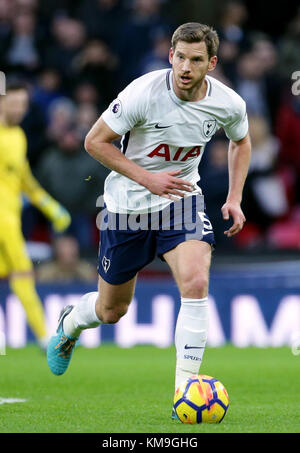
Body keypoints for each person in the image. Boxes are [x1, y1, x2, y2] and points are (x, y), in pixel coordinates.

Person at [47, 22, 251, 418]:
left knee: (195, 281)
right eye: (179, 57)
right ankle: (71, 322)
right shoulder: (143, 92)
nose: (185, 67)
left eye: (196, 59)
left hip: (181, 200)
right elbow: (94, 141)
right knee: (112, 311)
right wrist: (146, 178)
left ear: (211, 63)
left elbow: (240, 140)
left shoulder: (229, 103)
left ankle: (184, 392)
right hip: (127, 208)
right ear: (170, 56)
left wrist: (235, 197)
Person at [0, 82, 71, 349]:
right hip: (3, 221)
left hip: (10, 219)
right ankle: (45, 338)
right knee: (23, 274)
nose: (20, 109)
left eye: (24, 104)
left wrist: (50, 206)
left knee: (19, 276)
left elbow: (25, 181)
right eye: (14, 103)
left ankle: (44, 338)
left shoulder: (18, 136)